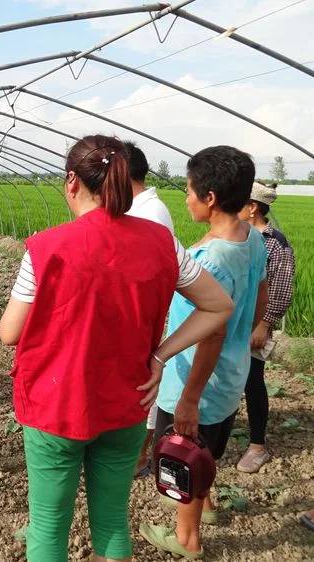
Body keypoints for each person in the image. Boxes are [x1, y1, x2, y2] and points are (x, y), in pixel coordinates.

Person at [0, 134, 233, 562]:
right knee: (111, 522)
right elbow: (218, 305)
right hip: (127, 401)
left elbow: (9, 333)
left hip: (55, 405)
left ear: (72, 181)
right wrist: (160, 355)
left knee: (49, 525)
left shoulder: (45, 246)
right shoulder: (163, 242)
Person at [140, 146, 268, 560]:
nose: (186, 198)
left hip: (194, 381)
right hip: (231, 374)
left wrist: (189, 399)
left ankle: (186, 539)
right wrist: (243, 336)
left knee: (182, 455)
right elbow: (261, 295)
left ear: (210, 197)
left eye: (190, 190)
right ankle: (205, 507)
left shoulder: (208, 261)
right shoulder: (252, 239)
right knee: (206, 447)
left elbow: (209, 336)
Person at [123, 141, 175, 479]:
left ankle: (141, 455)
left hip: (145, 315)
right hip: (137, 312)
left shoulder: (150, 213)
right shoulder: (139, 207)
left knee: (146, 384)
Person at [236, 181, 295, 473]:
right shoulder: (236, 236)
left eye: (238, 202)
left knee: (253, 381)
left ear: (253, 208)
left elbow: (282, 290)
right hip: (230, 323)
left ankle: (257, 446)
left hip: (254, 326)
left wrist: (264, 324)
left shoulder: (276, 243)